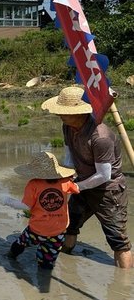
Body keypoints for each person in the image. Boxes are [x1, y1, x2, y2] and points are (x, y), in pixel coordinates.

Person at [41, 86, 131, 268]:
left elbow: (104, 175)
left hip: (108, 191)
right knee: (69, 224)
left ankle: (125, 283)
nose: (60, 115)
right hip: (81, 183)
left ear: (80, 112)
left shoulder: (100, 136)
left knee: (118, 240)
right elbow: (69, 156)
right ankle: (66, 264)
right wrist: (65, 177)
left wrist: (76, 186)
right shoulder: (68, 126)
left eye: (65, 112)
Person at [5, 152, 80, 270]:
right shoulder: (65, 182)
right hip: (58, 231)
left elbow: (25, 206)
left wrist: (9, 201)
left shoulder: (33, 184)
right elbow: (76, 188)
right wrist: (71, 178)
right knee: (48, 260)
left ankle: (10, 256)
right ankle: (44, 268)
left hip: (37, 230)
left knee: (20, 243)